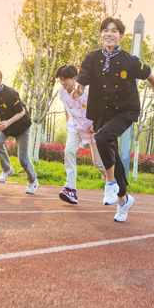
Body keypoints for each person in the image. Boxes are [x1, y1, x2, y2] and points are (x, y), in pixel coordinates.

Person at [72, 17, 154, 222]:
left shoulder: (129, 61)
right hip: (102, 112)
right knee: (111, 152)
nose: (108, 34)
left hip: (125, 110)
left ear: (121, 36)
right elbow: (82, 82)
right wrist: (79, 90)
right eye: (105, 30)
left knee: (102, 138)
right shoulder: (92, 59)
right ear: (101, 34)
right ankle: (122, 200)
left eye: (113, 31)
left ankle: (110, 184)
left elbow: (150, 77)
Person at [55, 64, 108, 204]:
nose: (63, 82)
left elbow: (103, 108)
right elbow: (67, 108)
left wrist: (96, 123)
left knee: (98, 163)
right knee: (69, 151)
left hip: (93, 127)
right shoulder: (61, 91)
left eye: (65, 79)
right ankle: (70, 189)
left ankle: (112, 183)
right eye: (61, 79)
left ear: (74, 78)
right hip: (75, 126)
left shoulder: (88, 90)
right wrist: (68, 123)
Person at [0, 68, 39, 194]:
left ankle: (33, 181)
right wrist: (4, 122)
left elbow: (22, 112)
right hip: (6, 123)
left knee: (23, 160)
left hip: (21, 125)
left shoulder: (10, 93)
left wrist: (8, 122)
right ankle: (7, 169)